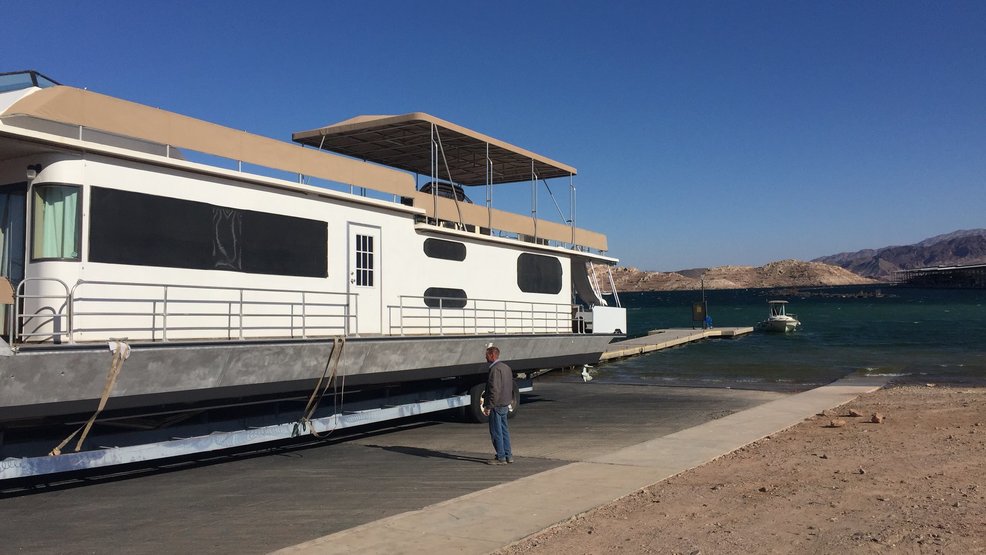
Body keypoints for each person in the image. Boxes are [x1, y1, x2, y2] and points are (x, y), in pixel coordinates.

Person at [482, 345, 513, 465]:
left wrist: (488, 406)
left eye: (486, 355)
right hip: (505, 402)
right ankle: (508, 455)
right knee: (504, 430)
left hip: (497, 404)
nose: (485, 357)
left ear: (492, 355)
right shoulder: (506, 367)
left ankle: (501, 456)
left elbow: (494, 389)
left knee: (496, 431)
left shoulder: (495, 369)